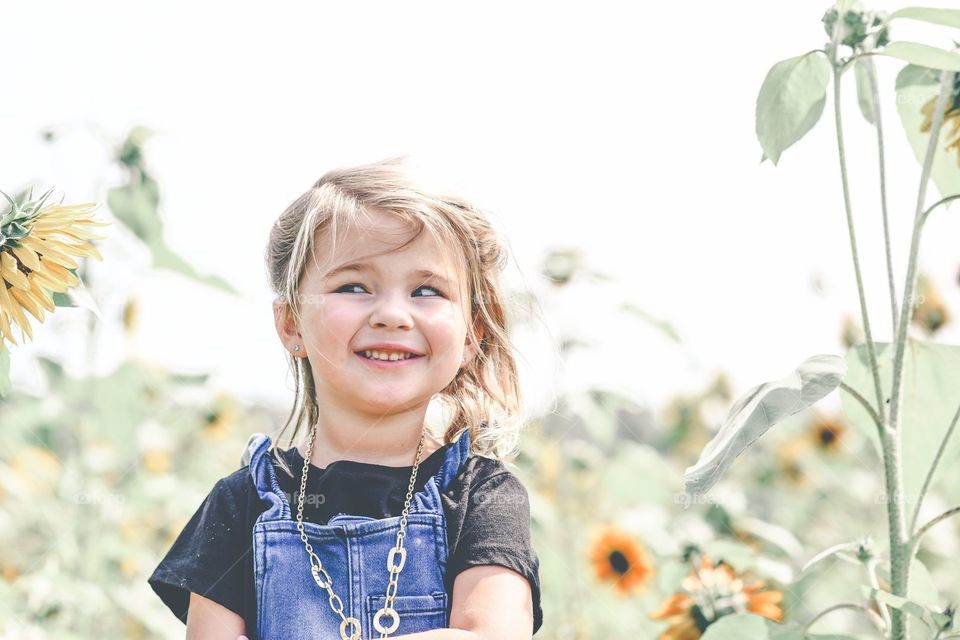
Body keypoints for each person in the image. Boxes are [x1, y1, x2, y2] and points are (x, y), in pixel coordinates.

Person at [148, 156, 543, 639]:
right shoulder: (243, 504)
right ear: (292, 323)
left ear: (470, 337)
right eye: (354, 286)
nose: (393, 314)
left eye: (426, 289)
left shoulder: (480, 495)